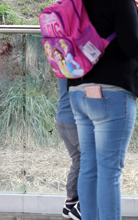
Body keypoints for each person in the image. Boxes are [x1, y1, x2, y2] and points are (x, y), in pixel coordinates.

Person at [67, 0, 138, 220]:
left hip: (78, 91)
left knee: (89, 167)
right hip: (112, 95)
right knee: (110, 170)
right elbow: (132, 47)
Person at [57, 78, 81, 220]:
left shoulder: (61, 67)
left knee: (78, 160)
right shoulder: (77, 68)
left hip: (62, 118)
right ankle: (83, 206)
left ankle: (71, 201)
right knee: (90, 161)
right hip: (74, 121)